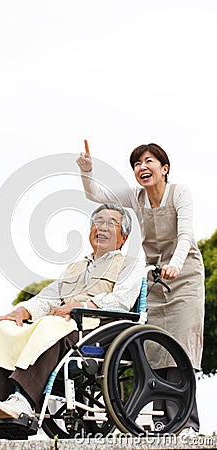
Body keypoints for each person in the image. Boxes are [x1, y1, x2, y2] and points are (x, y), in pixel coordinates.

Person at [0, 204, 144, 423]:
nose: (102, 227)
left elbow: (122, 301)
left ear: (124, 237)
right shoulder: (75, 267)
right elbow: (49, 297)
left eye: (111, 223)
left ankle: (23, 401)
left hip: (97, 329)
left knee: (51, 326)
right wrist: (21, 311)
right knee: (5, 327)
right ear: (90, 231)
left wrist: (80, 306)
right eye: (98, 222)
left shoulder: (130, 264)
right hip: (64, 324)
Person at [77, 142, 205, 437]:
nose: (142, 168)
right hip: (151, 279)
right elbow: (95, 195)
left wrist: (174, 264)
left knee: (181, 350)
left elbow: (185, 234)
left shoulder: (179, 193)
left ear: (164, 168)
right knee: (154, 349)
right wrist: (87, 171)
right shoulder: (135, 197)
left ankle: (187, 424)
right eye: (136, 164)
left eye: (149, 161)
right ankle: (163, 422)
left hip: (183, 276)